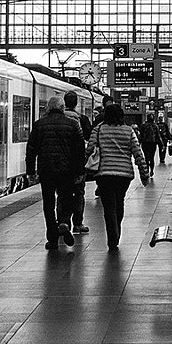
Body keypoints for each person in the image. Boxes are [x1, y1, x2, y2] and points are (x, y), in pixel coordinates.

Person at [27, 96, 86, 250]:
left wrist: (30, 171)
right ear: (62, 108)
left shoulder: (39, 125)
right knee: (67, 199)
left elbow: (31, 149)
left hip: (46, 170)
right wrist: (80, 170)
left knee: (48, 204)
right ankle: (65, 222)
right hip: (67, 170)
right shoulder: (73, 124)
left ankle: (52, 238)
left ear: (48, 108)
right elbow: (80, 150)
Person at [90, 101, 150, 252]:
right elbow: (138, 153)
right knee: (119, 202)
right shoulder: (128, 131)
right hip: (124, 174)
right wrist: (144, 174)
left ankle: (112, 237)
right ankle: (116, 231)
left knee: (108, 206)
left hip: (104, 174)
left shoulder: (98, 130)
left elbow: (90, 149)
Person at [64, 91, 93, 234]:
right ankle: (77, 223)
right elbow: (88, 139)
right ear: (76, 103)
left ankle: (62, 221)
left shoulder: (57, 118)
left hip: (61, 165)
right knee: (79, 193)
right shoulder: (82, 119)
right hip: (77, 163)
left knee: (63, 194)